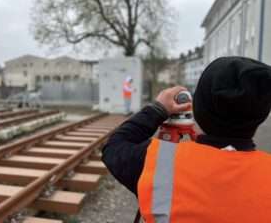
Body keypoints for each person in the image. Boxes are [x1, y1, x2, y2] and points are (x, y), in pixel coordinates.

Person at [102, 57, 271, 223]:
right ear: (261, 115)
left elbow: (114, 146)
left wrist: (158, 109)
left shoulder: (161, 163)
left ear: (199, 106)